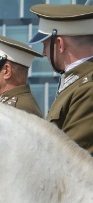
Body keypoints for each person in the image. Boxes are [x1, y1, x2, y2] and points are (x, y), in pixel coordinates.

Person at [29, 4, 93, 152]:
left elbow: (67, 158)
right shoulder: (76, 82)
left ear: (59, 44)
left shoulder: (87, 88)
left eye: (45, 46)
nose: (44, 53)